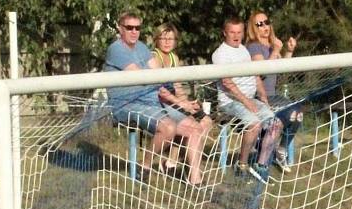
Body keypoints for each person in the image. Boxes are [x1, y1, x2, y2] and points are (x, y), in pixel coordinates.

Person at [103, 12, 177, 176]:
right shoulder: (116, 49)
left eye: (138, 28)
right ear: (120, 29)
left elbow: (158, 73)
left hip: (150, 98)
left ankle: (192, 178)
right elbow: (143, 78)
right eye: (129, 27)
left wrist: (179, 99)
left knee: (194, 126)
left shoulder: (142, 47)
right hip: (126, 104)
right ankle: (145, 167)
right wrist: (169, 93)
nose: (134, 31)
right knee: (169, 127)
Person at [212, 16, 281, 185]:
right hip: (230, 102)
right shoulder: (220, 54)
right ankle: (241, 164)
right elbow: (227, 83)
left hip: (249, 98)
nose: (236, 36)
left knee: (276, 123)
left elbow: (255, 75)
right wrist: (246, 102)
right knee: (254, 124)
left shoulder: (243, 49)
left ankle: (260, 165)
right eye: (232, 32)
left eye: (239, 32)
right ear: (224, 33)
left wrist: (263, 97)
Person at [151, 22, 213, 186]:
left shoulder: (174, 58)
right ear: (156, 40)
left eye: (170, 39)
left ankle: (175, 161)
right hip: (160, 103)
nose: (166, 42)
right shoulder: (154, 57)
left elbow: (178, 87)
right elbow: (160, 90)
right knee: (194, 127)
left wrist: (188, 102)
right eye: (163, 38)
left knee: (206, 121)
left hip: (174, 102)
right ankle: (194, 177)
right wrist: (182, 104)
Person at [245, 10, 298, 173]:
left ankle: (280, 151)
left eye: (266, 22)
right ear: (253, 28)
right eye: (259, 24)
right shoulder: (254, 46)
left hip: (274, 95)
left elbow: (283, 72)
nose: (264, 27)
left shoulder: (271, 45)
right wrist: (275, 51)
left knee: (297, 113)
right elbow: (261, 73)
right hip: (259, 97)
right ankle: (261, 163)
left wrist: (288, 51)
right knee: (280, 119)